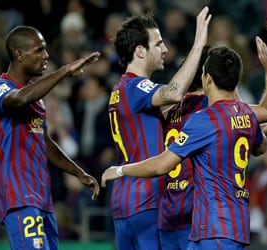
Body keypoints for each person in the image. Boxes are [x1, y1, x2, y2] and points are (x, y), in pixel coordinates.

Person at [102, 46, 267, 249]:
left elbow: (162, 164)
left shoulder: (200, 118)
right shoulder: (246, 115)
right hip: (220, 225)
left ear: (207, 78)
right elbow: (261, 143)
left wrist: (120, 170)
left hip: (207, 224)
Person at [156, 38, 267, 249]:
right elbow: (264, 113)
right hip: (201, 212)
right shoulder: (209, 109)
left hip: (169, 209)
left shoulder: (164, 114)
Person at [0, 25, 100, 250]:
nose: (46, 56)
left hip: (42, 197)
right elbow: (17, 99)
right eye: (39, 50)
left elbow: (45, 143)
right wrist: (64, 70)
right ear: (19, 54)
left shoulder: (37, 100)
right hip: (18, 195)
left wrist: (79, 173)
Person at [108, 8, 211, 249]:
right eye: (159, 43)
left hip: (124, 200)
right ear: (140, 51)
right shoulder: (136, 87)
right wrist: (198, 47)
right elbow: (173, 93)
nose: (164, 50)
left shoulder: (119, 90)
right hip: (147, 198)